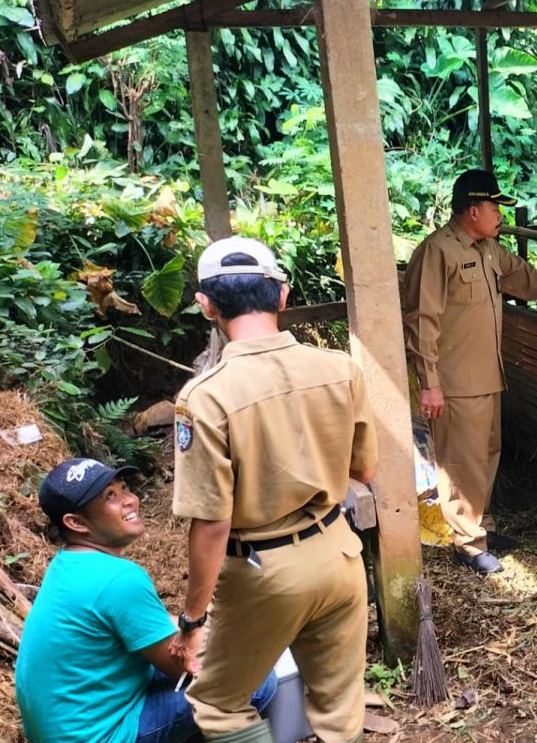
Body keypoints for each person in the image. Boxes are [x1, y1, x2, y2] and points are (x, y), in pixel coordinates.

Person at [171, 236, 378, 742]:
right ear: (282, 297)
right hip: (339, 553)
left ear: (207, 305)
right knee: (339, 708)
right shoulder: (340, 370)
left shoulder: (205, 397)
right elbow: (365, 472)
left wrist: (193, 618)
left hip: (264, 571)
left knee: (219, 705)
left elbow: (213, 522)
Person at [403, 169, 537, 575]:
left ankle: (481, 526)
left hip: (486, 377)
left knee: (485, 456)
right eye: (495, 207)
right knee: (461, 463)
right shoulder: (437, 252)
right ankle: (466, 543)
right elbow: (422, 319)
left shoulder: (489, 249)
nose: (500, 215)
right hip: (454, 382)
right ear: (474, 210)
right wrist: (430, 384)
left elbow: (525, 278)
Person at [15, 458, 276, 743]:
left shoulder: (68, 564)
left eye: (123, 487)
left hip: (69, 725)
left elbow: (157, 630)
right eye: (110, 497)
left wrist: (203, 629)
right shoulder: (118, 580)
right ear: (76, 523)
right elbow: (187, 664)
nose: (131, 500)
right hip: (104, 734)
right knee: (256, 679)